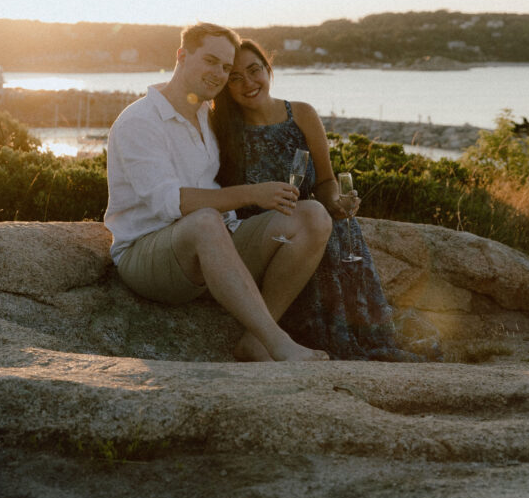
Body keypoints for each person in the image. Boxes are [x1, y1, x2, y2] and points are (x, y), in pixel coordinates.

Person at [104, 22, 332, 362]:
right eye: (211, 61)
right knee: (204, 221)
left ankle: (255, 339)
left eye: (226, 68)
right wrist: (252, 194)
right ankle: (277, 341)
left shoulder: (206, 117)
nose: (220, 74)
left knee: (312, 216)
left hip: (214, 245)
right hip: (146, 255)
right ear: (181, 56)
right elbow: (170, 203)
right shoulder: (141, 120)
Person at [212, 38, 433, 361]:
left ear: (268, 69)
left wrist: (338, 203)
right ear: (225, 85)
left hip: (310, 221)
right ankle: (264, 336)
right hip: (261, 234)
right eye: (234, 77)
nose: (248, 83)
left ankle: (275, 335)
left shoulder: (301, 114)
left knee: (334, 228)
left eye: (254, 70)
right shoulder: (220, 127)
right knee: (313, 226)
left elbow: (326, 181)